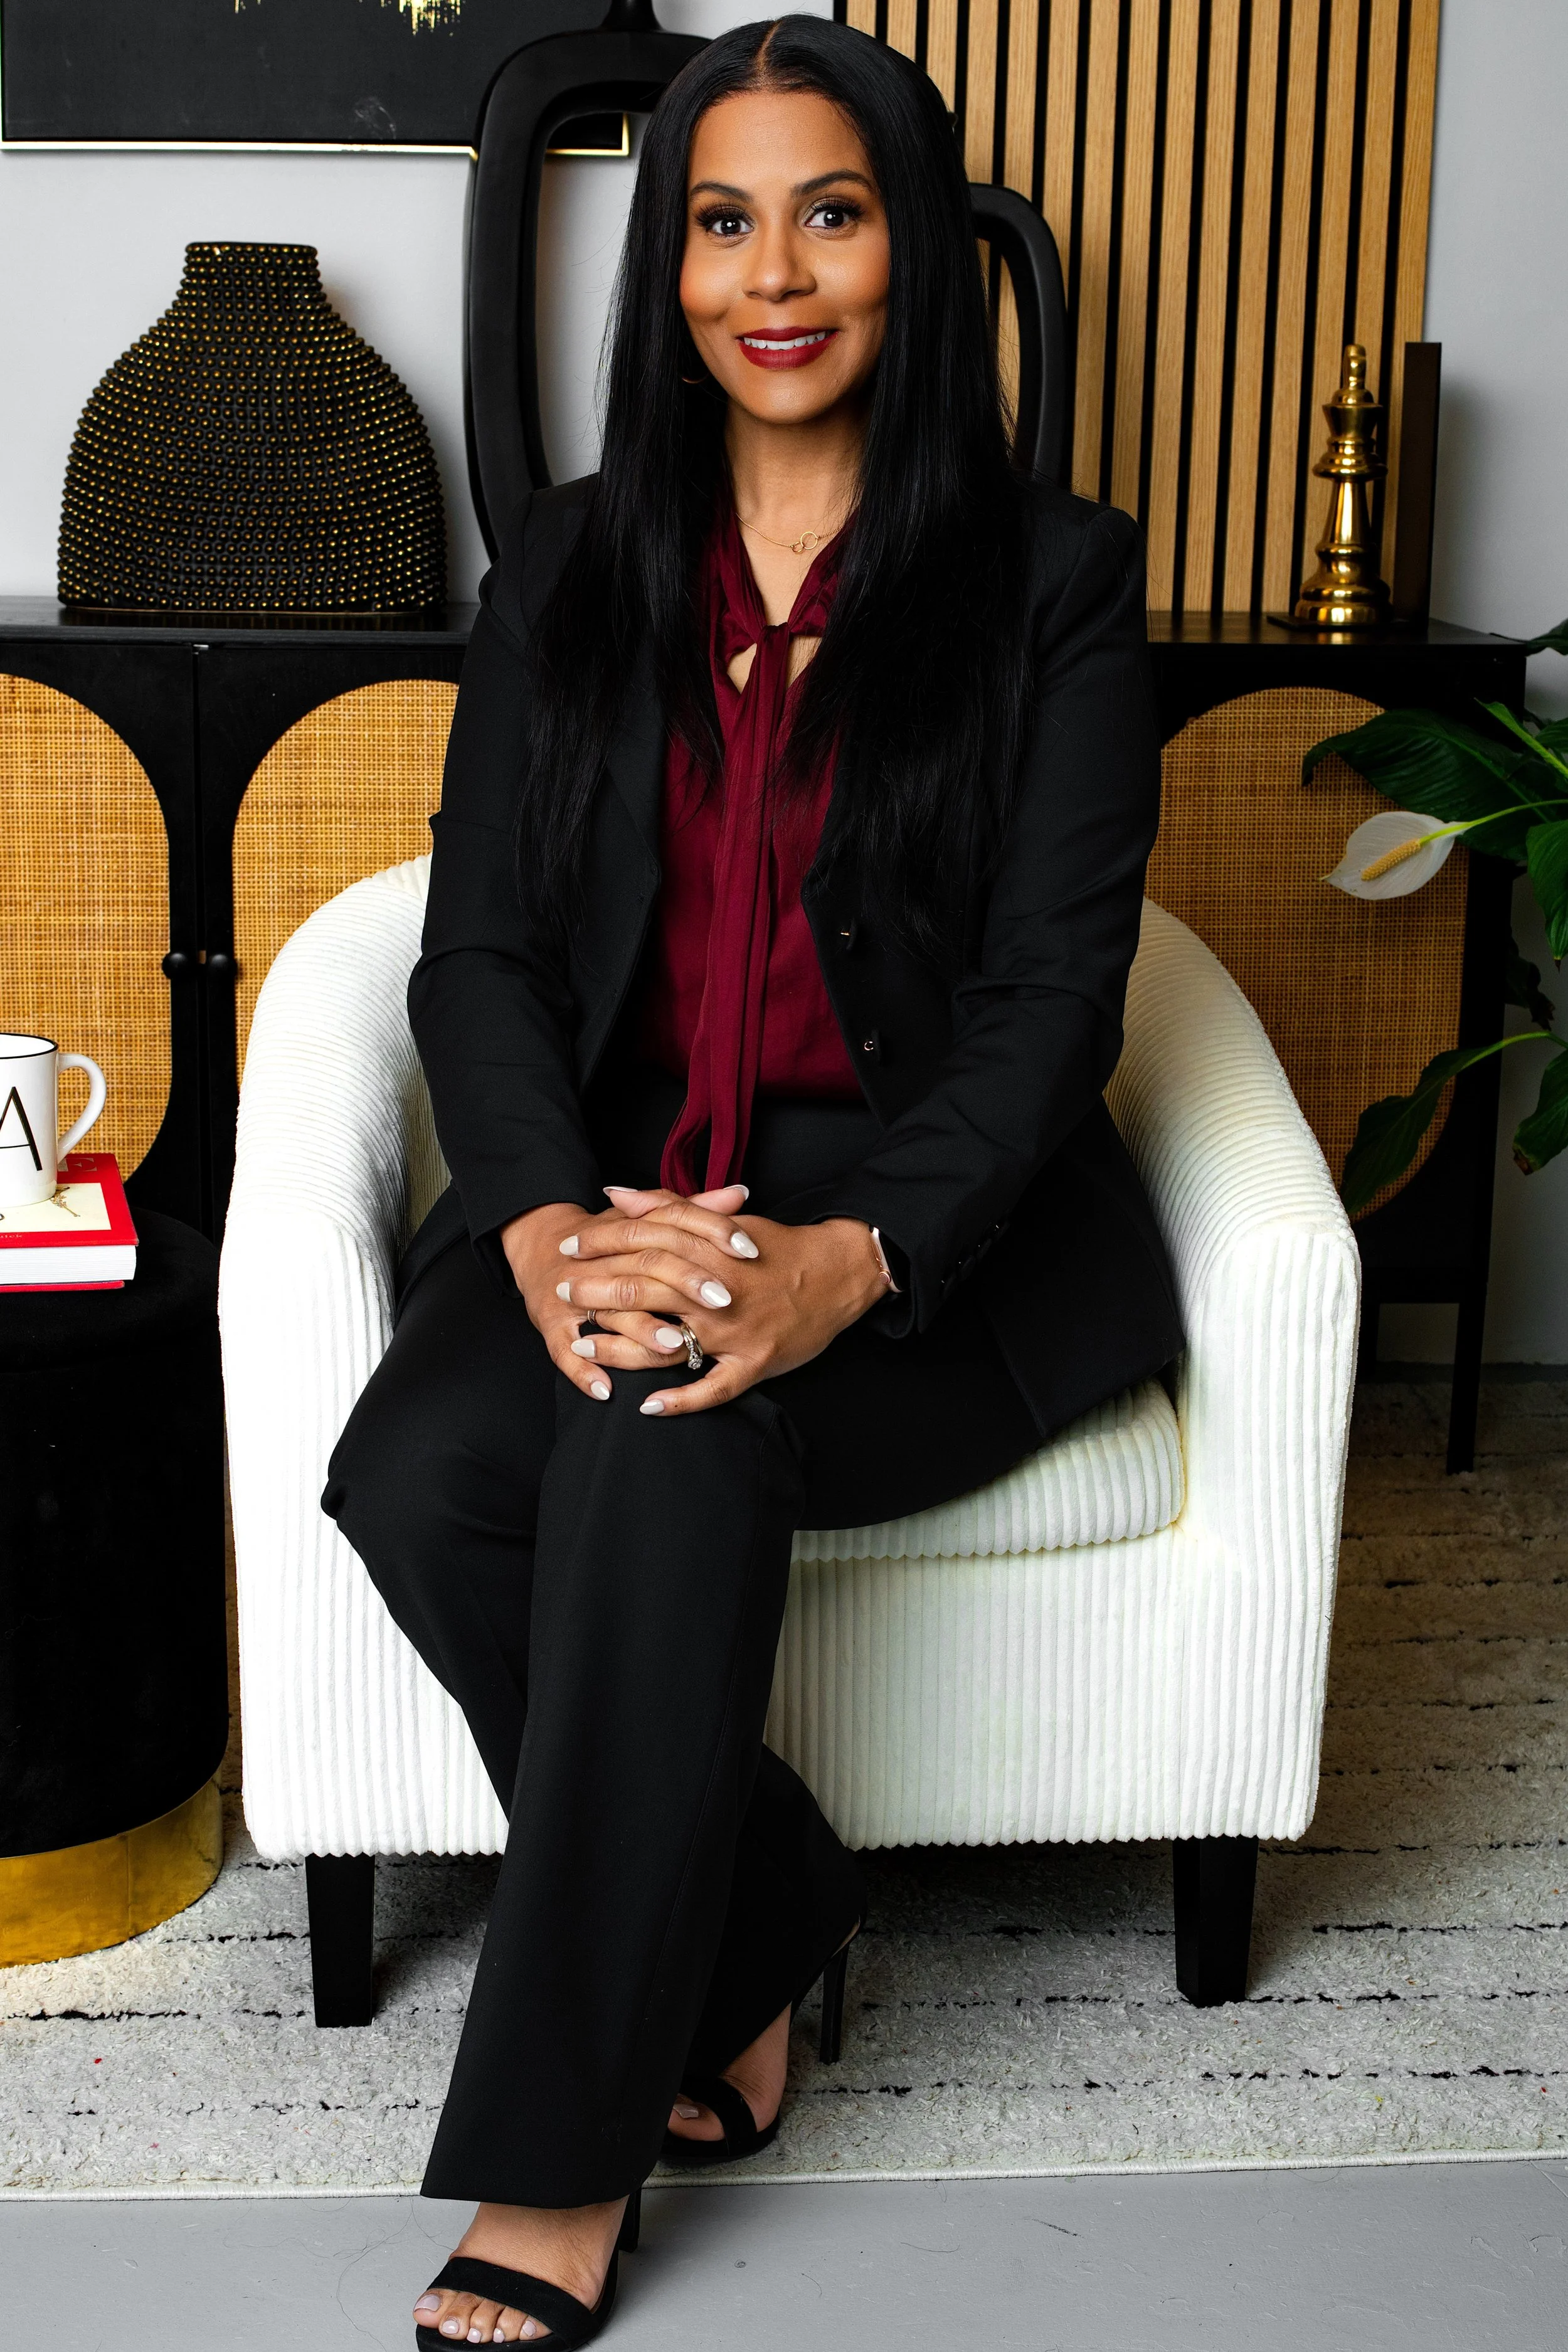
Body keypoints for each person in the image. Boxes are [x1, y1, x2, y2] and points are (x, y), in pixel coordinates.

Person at [322, 15, 1182, 2345]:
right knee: (409, 1470)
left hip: (934, 1233)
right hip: (611, 1194)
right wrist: (538, 1225)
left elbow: (1047, 1011)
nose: (771, 274)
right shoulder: (577, 569)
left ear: (914, 248)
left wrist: (840, 1260)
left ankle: (559, 2160)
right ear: (664, 263)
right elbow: (478, 949)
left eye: (831, 210)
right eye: (719, 218)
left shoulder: (1052, 584)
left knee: (654, 1437)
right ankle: (767, 1899)